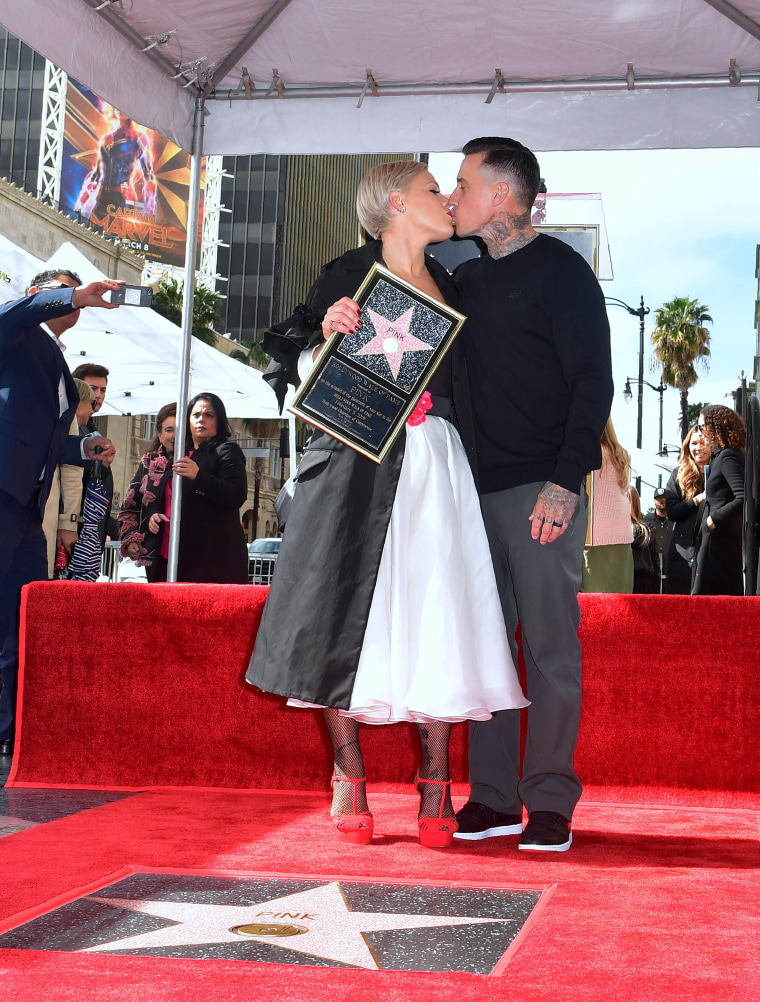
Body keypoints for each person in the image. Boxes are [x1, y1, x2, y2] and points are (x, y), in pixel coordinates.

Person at [246, 160, 528, 849]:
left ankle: (437, 783)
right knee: (339, 606)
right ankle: (349, 776)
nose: (448, 199)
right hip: (350, 464)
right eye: (438, 190)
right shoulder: (344, 275)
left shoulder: (460, 285)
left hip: (436, 465)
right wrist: (324, 337)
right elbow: (292, 363)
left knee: (439, 608)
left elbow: (481, 386)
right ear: (399, 202)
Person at [446, 137, 613, 851]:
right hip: (470, 495)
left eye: (462, 183)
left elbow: (593, 383)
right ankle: (491, 798)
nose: (452, 196)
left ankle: (548, 800)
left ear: (504, 196)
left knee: (548, 649)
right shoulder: (464, 280)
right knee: (487, 650)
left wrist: (564, 481)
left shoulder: (564, 274)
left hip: (541, 493)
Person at [0, 270, 119, 756]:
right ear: (38, 296)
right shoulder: (16, 331)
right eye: (63, 292)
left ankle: (11, 729)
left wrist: (86, 445)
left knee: (23, 619)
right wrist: (70, 294)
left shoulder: (60, 367)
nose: (78, 301)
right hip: (2, 491)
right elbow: (10, 312)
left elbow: (44, 437)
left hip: (30, 511)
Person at [147, 394, 248, 583]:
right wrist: (154, 514)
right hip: (169, 553)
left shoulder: (225, 450)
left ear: (219, 420)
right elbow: (163, 496)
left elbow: (236, 494)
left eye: (209, 415)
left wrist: (199, 476)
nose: (201, 419)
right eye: (196, 415)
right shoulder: (179, 454)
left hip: (208, 557)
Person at [691, 404, 746, 596]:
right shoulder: (721, 456)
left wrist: (714, 519)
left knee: (708, 600)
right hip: (716, 539)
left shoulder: (728, 456)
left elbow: (743, 497)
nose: (701, 431)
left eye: (702, 426)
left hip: (720, 541)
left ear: (716, 427)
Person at [118, 403, 177, 582]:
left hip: (191, 552)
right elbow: (129, 507)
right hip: (155, 554)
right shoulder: (147, 462)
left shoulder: (197, 459)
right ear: (159, 435)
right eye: (169, 430)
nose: (174, 436)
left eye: (179, 429)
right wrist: (131, 538)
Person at [581, 419, 634, 594]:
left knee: (594, 604)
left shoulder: (585, 453)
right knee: (622, 601)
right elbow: (625, 489)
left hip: (592, 536)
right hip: (622, 536)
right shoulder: (622, 455)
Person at [663, 426, 710, 594]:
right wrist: (696, 500)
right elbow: (672, 511)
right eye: (694, 443)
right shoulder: (679, 474)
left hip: (712, 550)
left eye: (704, 442)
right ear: (688, 447)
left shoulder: (721, 471)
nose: (699, 447)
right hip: (683, 553)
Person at [72, 363, 114, 548]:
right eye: (92, 388)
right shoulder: (68, 426)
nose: (98, 395)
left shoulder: (91, 428)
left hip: (92, 530)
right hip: (74, 528)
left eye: (102, 390)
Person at [643, 488, 674, 593]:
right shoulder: (646, 520)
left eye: (665, 498)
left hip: (670, 571)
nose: (662, 500)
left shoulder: (675, 520)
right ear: (654, 500)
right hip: (651, 572)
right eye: (659, 498)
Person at [629, 485, 657, 594]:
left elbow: (655, 563)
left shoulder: (644, 530)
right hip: (639, 581)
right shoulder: (646, 529)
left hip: (640, 581)